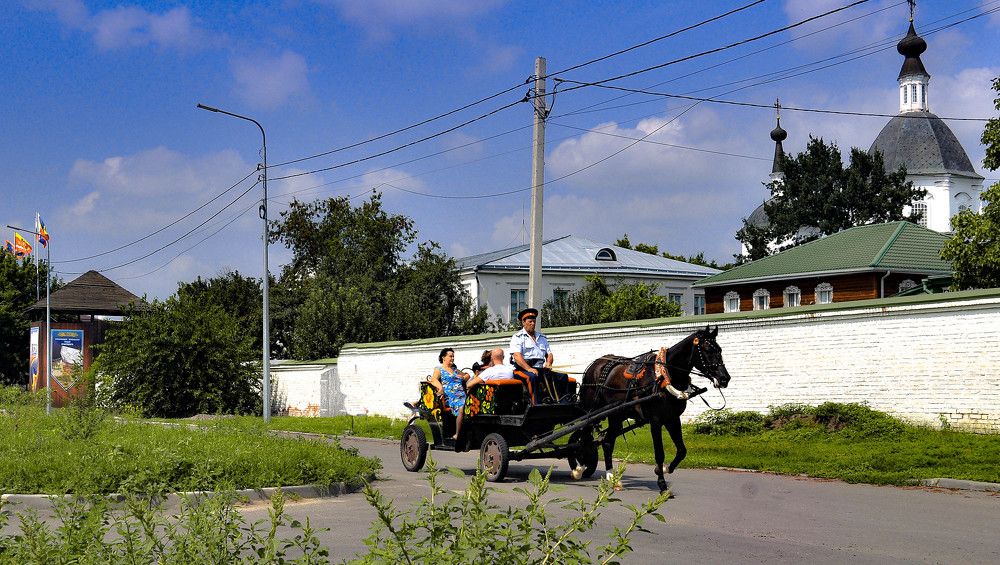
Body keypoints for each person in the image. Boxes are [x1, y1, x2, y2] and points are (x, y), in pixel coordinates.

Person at [510, 308, 566, 403]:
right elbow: (517, 356)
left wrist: (548, 363)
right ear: (523, 322)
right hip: (522, 370)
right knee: (532, 377)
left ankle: (563, 404)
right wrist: (529, 368)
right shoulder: (517, 337)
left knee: (562, 376)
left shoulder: (542, 337)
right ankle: (535, 405)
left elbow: (549, 354)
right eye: (530, 322)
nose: (533, 324)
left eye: (534, 321)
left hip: (540, 369)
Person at [428, 347, 476, 440]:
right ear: (443, 357)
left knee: (472, 404)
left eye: (453, 356)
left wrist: (463, 377)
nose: (453, 358)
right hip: (450, 397)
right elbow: (433, 379)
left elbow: (467, 375)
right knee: (462, 406)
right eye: (450, 356)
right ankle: (457, 434)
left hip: (462, 395)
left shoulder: (455, 369)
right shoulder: (439, 369)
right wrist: (441, 388)